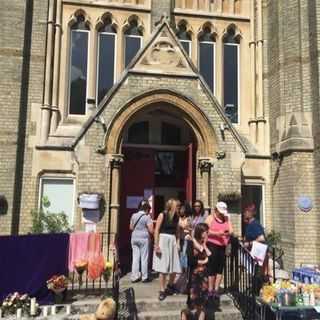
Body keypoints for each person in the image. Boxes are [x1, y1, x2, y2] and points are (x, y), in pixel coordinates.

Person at [153, 198, 182, 301]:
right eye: (177, 206)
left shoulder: (177, 217)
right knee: (163, 268)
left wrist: (178, 243)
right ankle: (162, 290)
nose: (179, 208)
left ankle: (170, 286)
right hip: (163, 240)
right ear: (172, 206)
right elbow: (156, 230)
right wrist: (156, 245)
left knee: (175, 266)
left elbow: (178, 232)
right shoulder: (162, 215)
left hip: (172, 241)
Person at [181, 223, 210, 320]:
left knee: (202, 304)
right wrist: (203, 261)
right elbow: (190, 260)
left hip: (203, 277)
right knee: (192, 304)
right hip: (194, 276)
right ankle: (184, 315)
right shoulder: (191, 242)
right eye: (206, 232)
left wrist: (205, 244)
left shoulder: (204, 243)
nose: (207, 233)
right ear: (200, 232)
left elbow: (210, 255)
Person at [206, 202, 233, 300]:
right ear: (216, 210)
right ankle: (210, 289)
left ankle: (216, 290)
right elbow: (205, 231)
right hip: (212, 245)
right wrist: (216, 233)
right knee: (211, 268)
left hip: (222, 246)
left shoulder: (226, 218)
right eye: (220, 212)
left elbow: (231, 230)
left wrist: (226, 232)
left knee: (220, 268)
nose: (221, 214)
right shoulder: (210, 218)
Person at [130, 200, 154, 283]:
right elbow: (151, 230)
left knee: (135, 258)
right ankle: (144, 277)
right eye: (149, 211)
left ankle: (134, 276)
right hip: (144, 238)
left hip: (134, 238)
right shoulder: (147, 217)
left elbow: (131, 228)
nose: (149, 212)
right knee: (144, 258)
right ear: (146, 209)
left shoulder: (133, 215)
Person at [179, 202, 193, 271]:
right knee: (181, 253)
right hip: (180, 237)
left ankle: (184, 268)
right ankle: (181, 267)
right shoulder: (179, 218)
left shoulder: (189, 218)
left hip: (186, 237)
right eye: (180, 209)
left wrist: (183, 227)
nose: (181, 210)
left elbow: (190, 228)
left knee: (184, 253)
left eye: (182, 209)